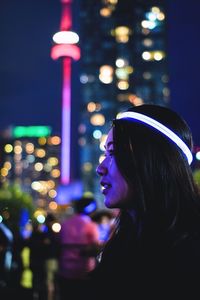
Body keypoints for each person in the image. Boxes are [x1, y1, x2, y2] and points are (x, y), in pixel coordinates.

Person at [88, 104, 200, 298]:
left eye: (113, 153)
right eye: (105, 154)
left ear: (151, 159)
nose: (101, 168)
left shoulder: (190, 253)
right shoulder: (121, 244)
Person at [58, 196, 100, 299]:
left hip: (66, 269)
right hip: (85, 270)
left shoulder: (65, 224)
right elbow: (95, 247)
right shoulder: (91, 225)